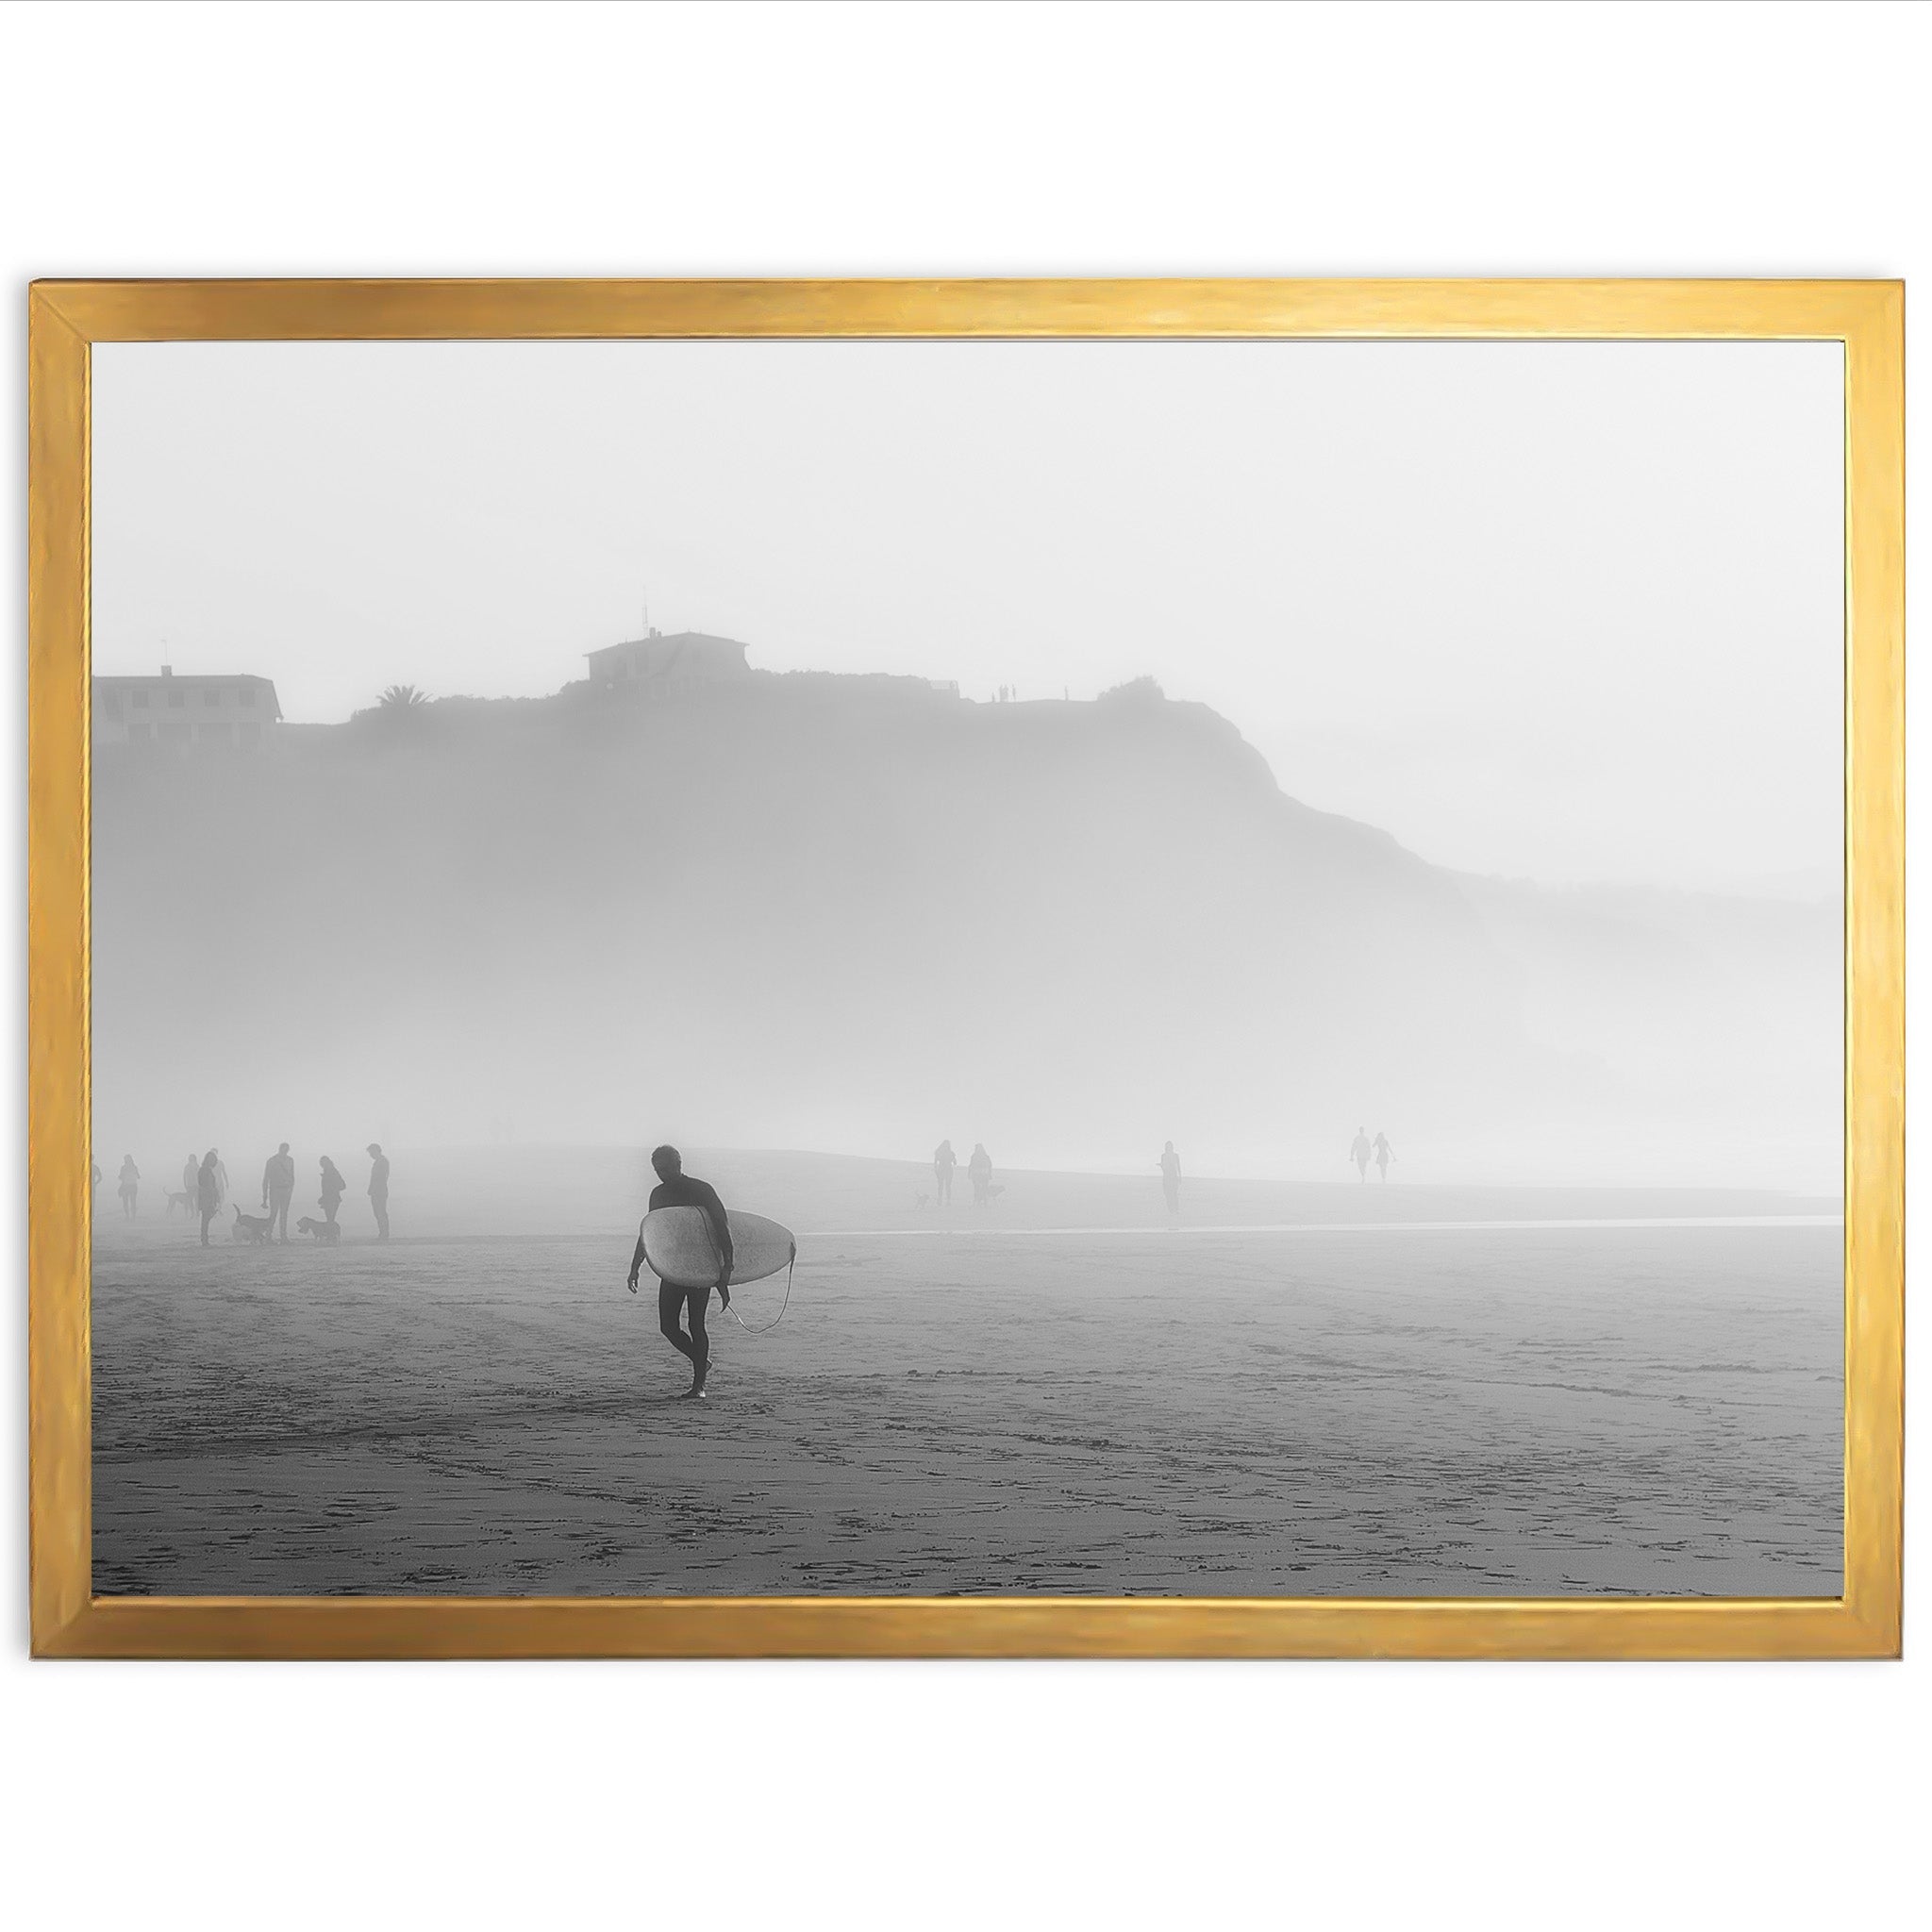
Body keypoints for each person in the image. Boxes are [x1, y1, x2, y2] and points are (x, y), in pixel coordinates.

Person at [627, 1144, 733, 1400]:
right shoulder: (658, 1195)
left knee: (696, 1324)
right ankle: (701, 1360)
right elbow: (649, 1232)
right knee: (668, 1326)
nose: (660, 1174)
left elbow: (721, 1226)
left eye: (664, 1168)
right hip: (673, 1268)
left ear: (678, 1164)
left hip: (699, 1267)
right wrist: (635, 1266)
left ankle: (699, 1386)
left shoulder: (701, 1189)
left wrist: (726, 1267)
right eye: (656, 1170)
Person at [261, 1141, 295, 1242]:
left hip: (286, 1190)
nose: (285, 1151)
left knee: (284, 1214)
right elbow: (266, 1178)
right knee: (274, 1213)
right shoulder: (272, 1161)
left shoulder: (290, 1160)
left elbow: (292, 1176)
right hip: (275, 1190)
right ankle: (268, 1235)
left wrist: (291, 1189)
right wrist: (265, 1196)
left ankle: (283, 1236)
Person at [366, 1142, 391, 1240]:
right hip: (377, 1191)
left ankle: (384, 1233)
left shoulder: (382, 1161)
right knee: (378, 1212)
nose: (370, 1155)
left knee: (380, 1212)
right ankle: (383, 1233)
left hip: (379, 1191)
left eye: (371, 1152)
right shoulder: (379, 1161)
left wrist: (373, 1188)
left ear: (376, 1151)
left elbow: (380, 1178)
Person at [196, 1149, 221, 1245]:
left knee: (205, 1218)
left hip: (204, 1195)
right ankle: (204, 1239)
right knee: (206, 1218)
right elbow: (210, 1186)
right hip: (207, 1196)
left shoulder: (203, 1169)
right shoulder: (206, 1170)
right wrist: (213, 1198)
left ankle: (204, 1238)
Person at [318, 1156, 346, 1225]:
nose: (322, 1165)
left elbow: (342, 1185)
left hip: (332, 1198)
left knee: (330, 1218)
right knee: (330, 1218)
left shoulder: (333, 1172)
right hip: (329, 1198)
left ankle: (331, 1234)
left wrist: (332, 1189)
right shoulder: (328, 1172)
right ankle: (331, 1234)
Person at [967, 1141, 993, 1208]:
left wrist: (969, 1173)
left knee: (976, 1188)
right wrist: (990, 1174)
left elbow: (971, 1165)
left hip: (976, 1175)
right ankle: (985, 1202)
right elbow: (990, 1165)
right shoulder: (986, 1156)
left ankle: (976, 1201)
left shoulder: (974, 1156)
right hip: (985, 1174)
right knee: (984, 1188)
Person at [1159, 1140, 1181, 1218]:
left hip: (1173, 1176)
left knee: (1174, 1193)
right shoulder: (1163, 1156)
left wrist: (1180, 1177)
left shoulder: (1175, 1156)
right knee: (1168, 1194)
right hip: (1167, 1177)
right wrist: (1162, 1166)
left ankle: (1176, 1209)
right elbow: (1164, 1168)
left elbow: (1178, 1167)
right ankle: (1171, 1210)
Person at [933, 1139, 958, 1208]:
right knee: (948, 1186)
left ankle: (940, 1199)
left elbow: (935, 1162)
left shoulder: (939, 1152)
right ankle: (948, 1201)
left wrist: (936, 1170)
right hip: (949, 1170)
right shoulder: (951, 1153)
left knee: (940, 1185)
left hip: (941, 1170)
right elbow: (955, 1163)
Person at [117, 1155, 140, 1219]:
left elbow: (120, 1177)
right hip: (133, 1186)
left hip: (125, 1186)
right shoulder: (134, 1167)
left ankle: (127, 1216)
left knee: (125, 1201)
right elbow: (138, 1176)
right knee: (133, 1201)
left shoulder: (123, 1168)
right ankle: (133, 1216)